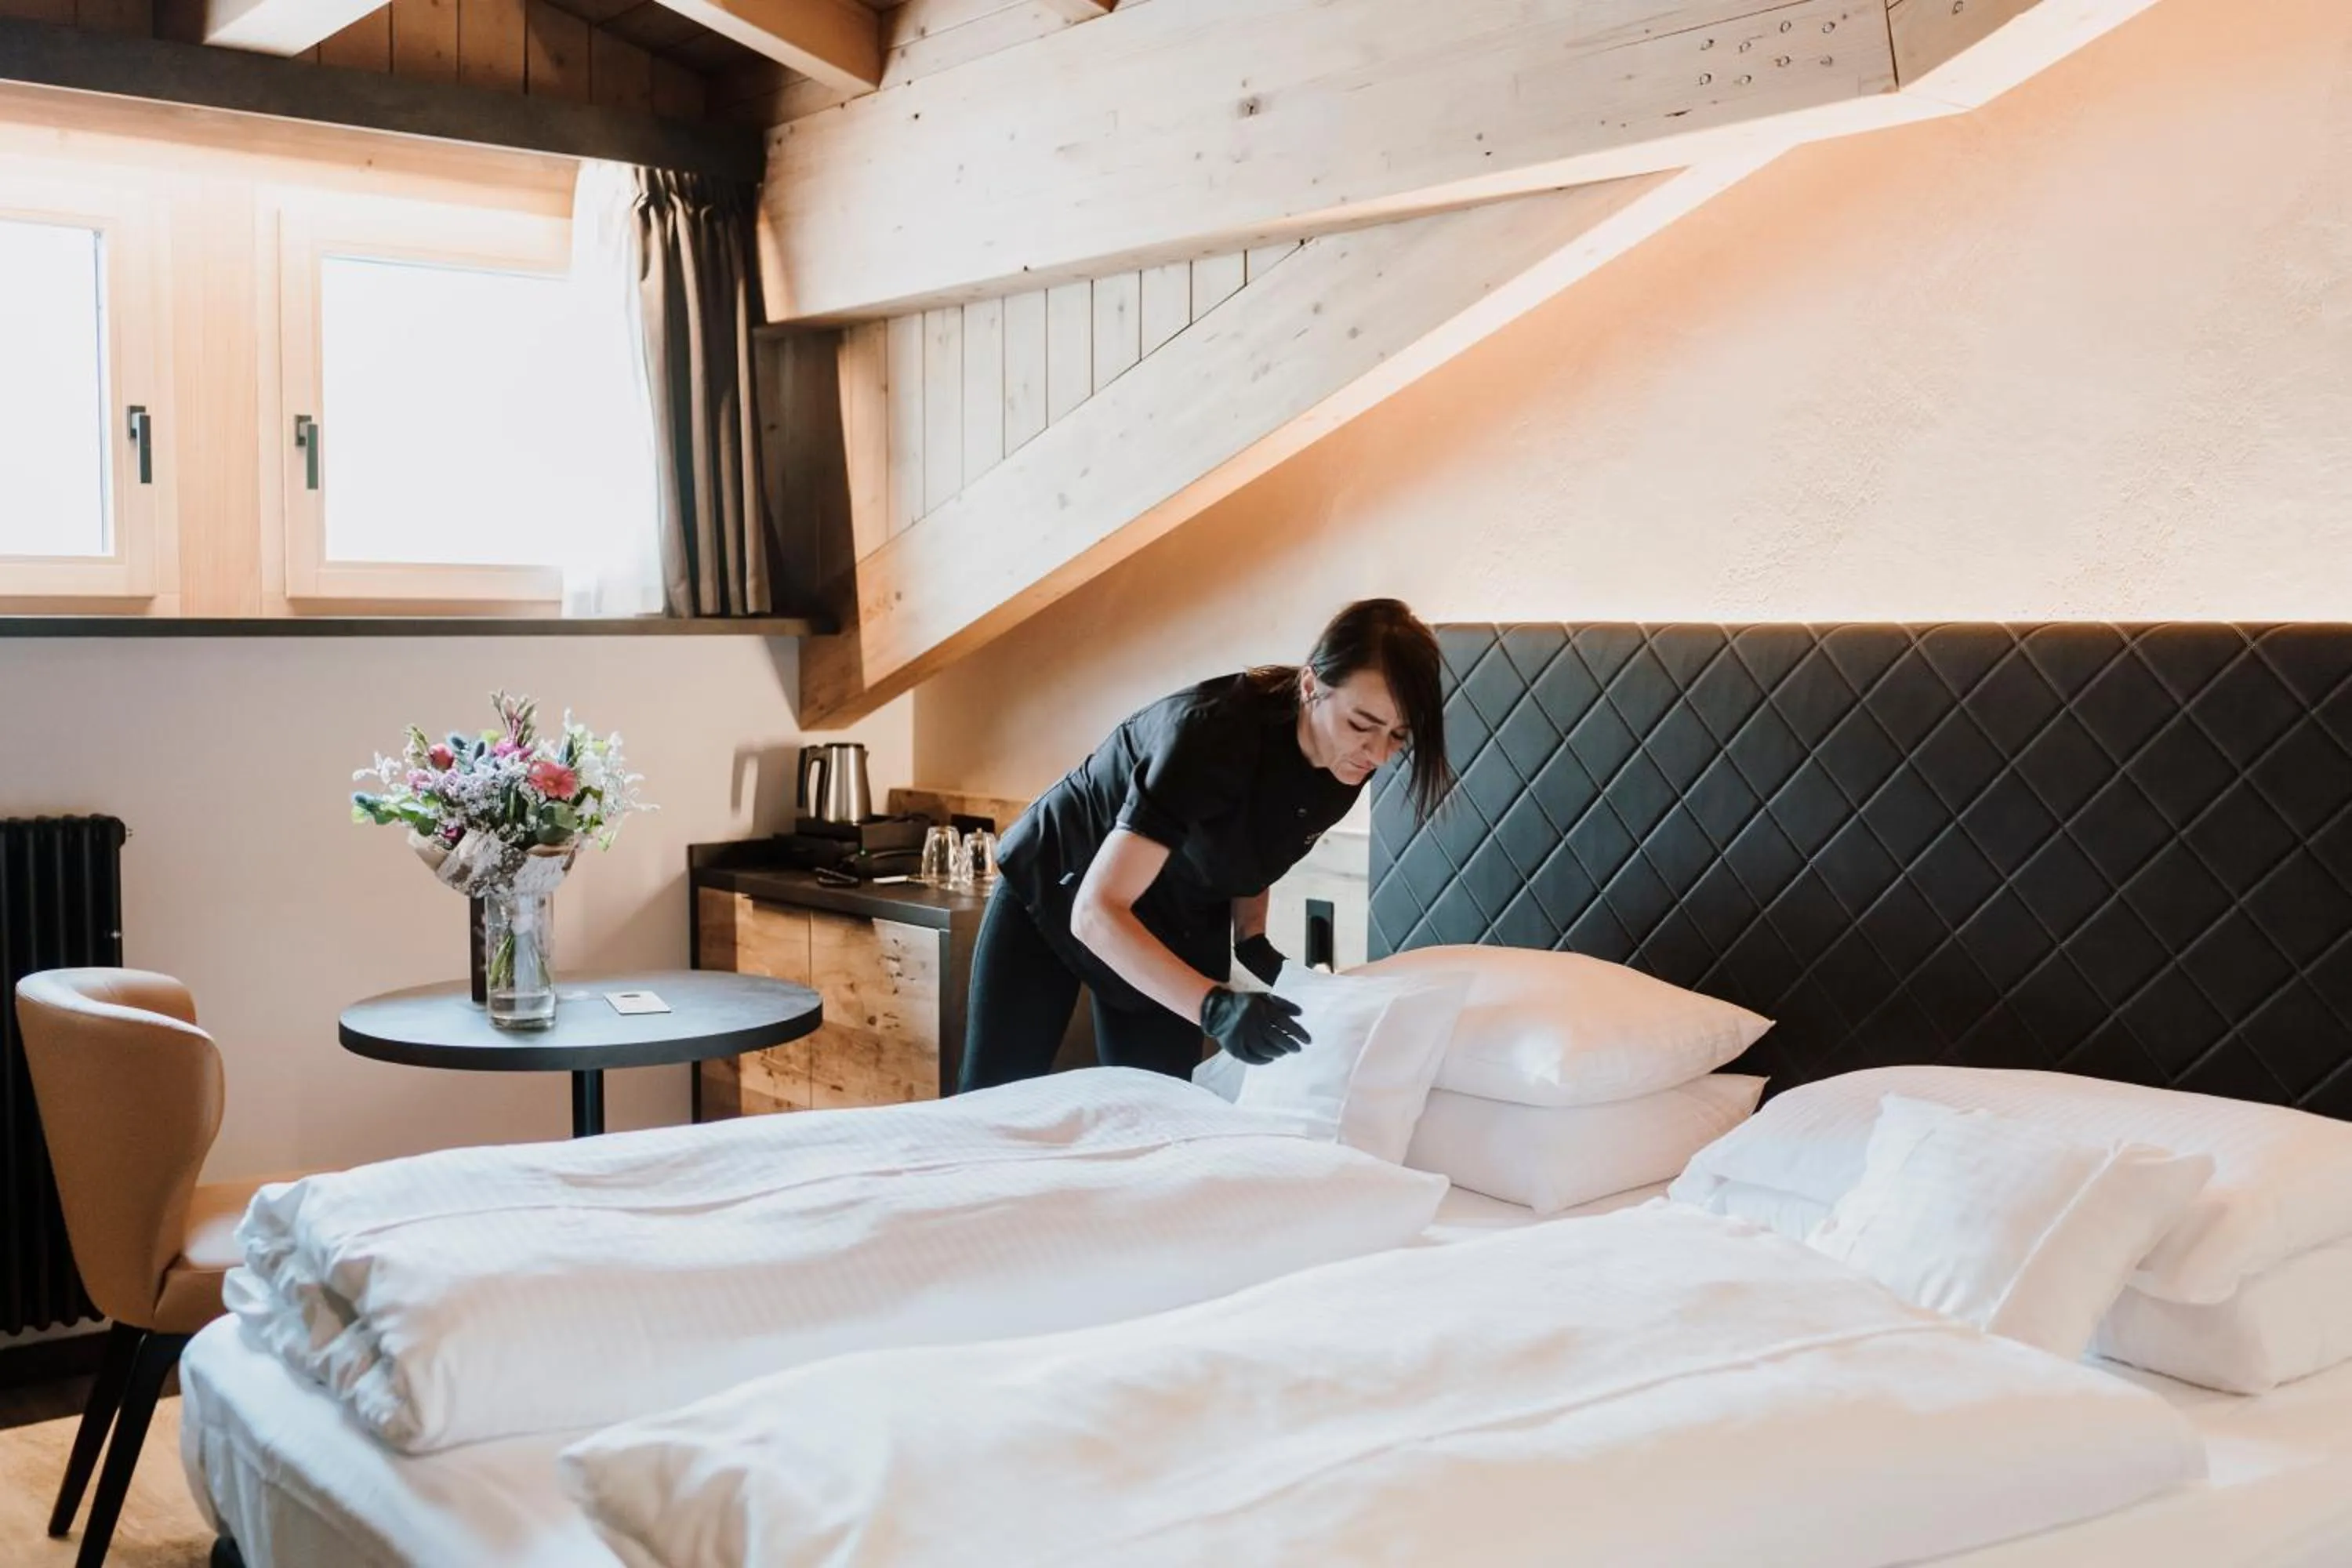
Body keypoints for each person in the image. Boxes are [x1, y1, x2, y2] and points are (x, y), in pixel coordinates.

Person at [959, 598, 1456, 1091]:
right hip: (1062, 886)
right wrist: (1215, 1007)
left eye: (1398, 737)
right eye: (1362, 725)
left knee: (1158, 1118)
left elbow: (1257, 841)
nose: (1377, 753)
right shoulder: (1209, 736)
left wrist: (1252, 938)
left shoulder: (1345, 763)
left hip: (1175, 918)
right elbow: (1095, 913)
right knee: (991, 1100)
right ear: (1311, 687)